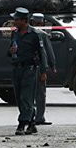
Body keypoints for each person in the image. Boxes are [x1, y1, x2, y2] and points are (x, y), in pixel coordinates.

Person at [8, 7, 48, 136]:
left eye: (17, 20)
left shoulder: (35, 34)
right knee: (19, 98)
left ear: (24, 21)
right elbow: (10, 50)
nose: (14, 22)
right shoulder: (15, 33)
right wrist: (10, 51)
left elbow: (42, 53)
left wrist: (43, 71)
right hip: (17, 68)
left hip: (29, 69)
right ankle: (31, 122)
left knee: (26, 97)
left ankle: (22, 124)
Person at [31, 13, 56, 126]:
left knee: (31, 94)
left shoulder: (26, 33)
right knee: (40, 94)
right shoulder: (42, 34)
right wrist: (52, 66)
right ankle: (39, 117)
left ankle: (32, 117)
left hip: (30, 67)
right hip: (39, 67)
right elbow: (48, 52)